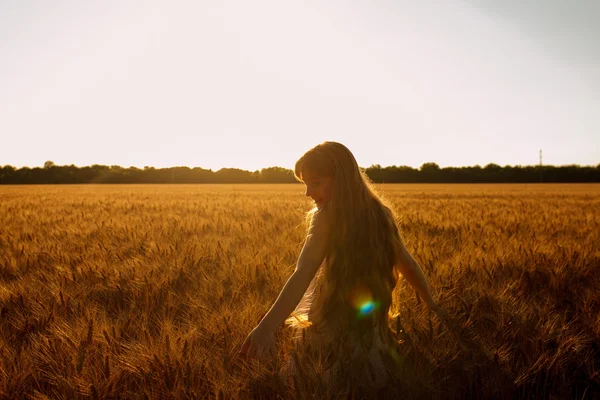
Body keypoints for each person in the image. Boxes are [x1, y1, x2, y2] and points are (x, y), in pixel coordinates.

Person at [239, 141, 444, 392]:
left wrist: (267, 326)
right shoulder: (381, 213)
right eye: (305, 184)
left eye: (316, 183)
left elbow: (303, 273)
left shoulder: (327, 216)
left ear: (342, 179)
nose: (308, 193)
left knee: (313, 384)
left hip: (331, 327)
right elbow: (408, 265)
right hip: (370, 330)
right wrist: (430, 302)